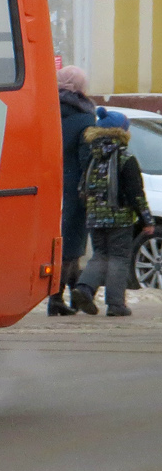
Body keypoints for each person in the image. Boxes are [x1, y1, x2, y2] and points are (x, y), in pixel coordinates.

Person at [70, 108, 156, 316]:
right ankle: (116, 304)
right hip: (120, 218)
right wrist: (146, 219)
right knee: (118, 257)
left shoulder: (93, 157)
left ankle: (84, 289)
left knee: (100, 255)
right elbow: (136, 193)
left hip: (94, 217)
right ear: (121, 132)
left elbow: (83, 188)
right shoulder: (125, 159)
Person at [49, 65, 96, 315]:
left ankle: (75, 295)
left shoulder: (49, 110)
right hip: (75, 188)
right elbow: (86, 159)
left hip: (49, 186)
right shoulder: (85, 118)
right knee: (72, 246)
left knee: (64, 244)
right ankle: (56, 299)